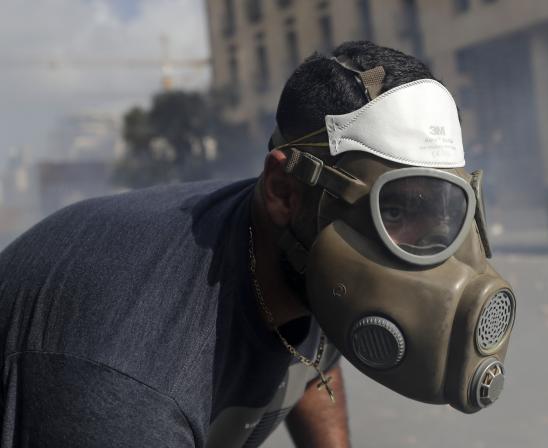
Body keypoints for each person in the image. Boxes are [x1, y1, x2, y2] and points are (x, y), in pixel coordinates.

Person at [0, 41, 516, 447]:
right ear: (284, 192)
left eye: (448, 210)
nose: (437, 254)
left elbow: (316, 361)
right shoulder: (128, 385)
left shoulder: (312, 255)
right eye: (398, 209)